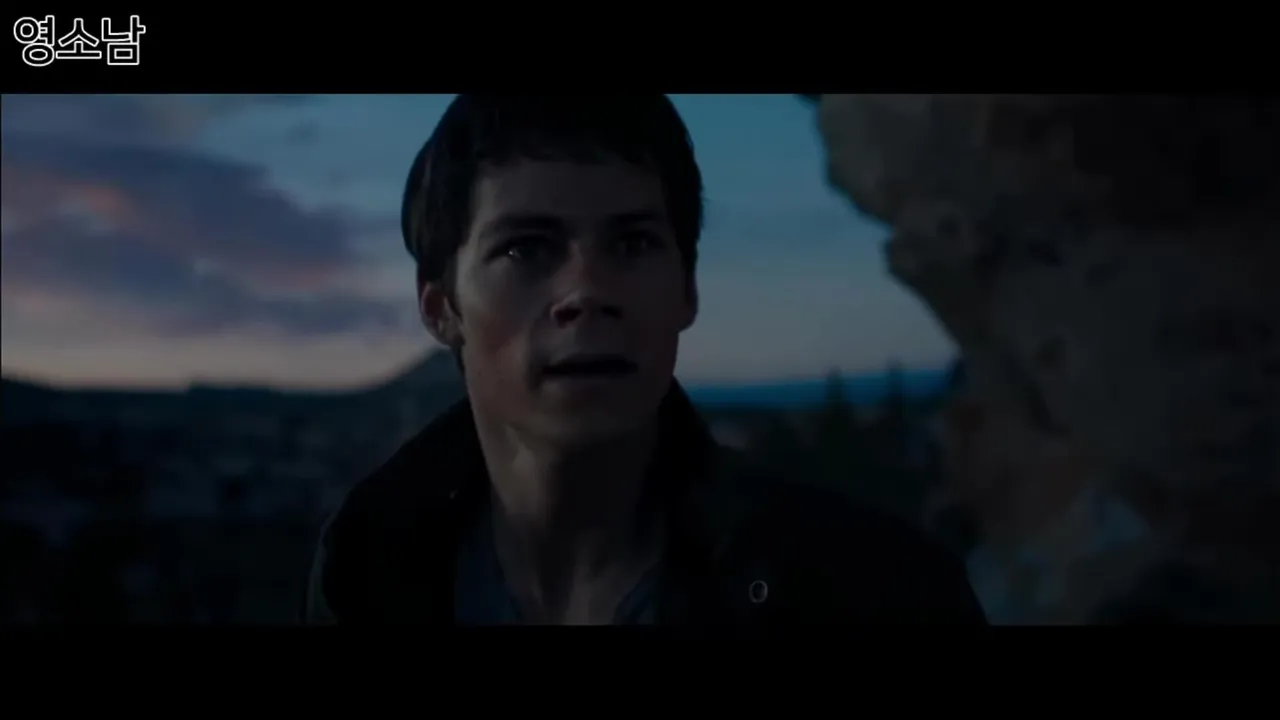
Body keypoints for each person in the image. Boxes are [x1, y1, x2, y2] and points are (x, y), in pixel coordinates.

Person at [303, 94, 987, 625]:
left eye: (631, 244)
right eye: (526, 249)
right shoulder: (364, 578)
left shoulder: (877, 593)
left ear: (687, 290)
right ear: (441, 308)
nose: (586, 290)